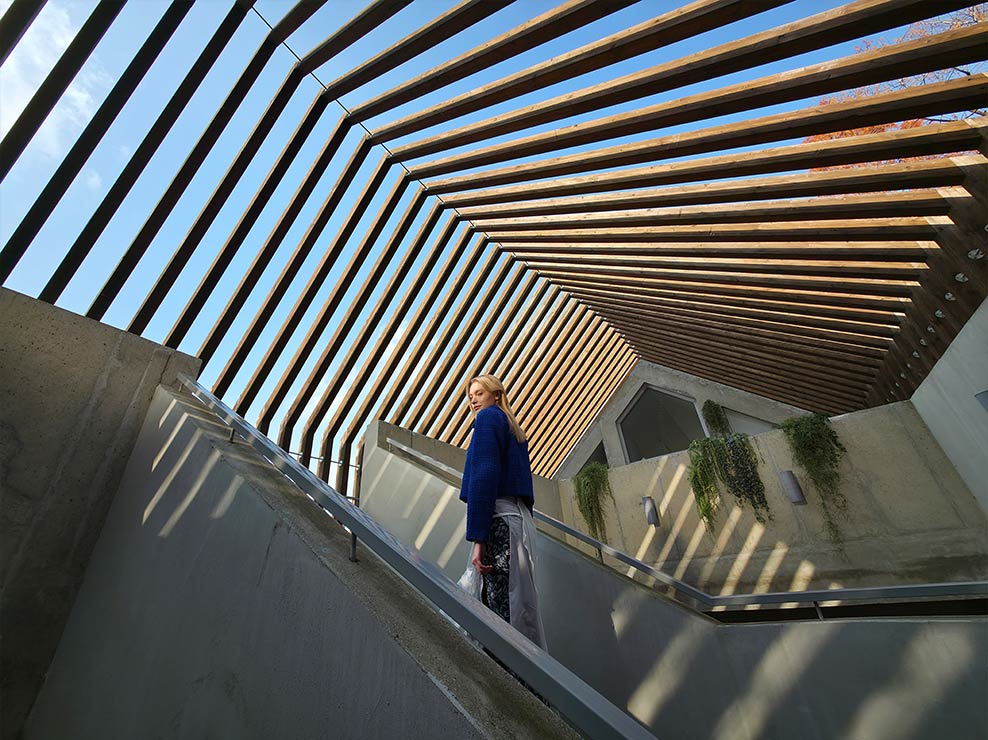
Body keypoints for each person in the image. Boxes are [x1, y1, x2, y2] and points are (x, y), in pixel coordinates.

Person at [459, 374, 546, 649]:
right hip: (515, 522)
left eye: (479, 392)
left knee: (500, 608)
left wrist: (478, 539)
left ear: (496, 394)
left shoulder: (487, 419)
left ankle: (510, 677)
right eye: (470, 395)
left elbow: (485, 474)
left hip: (498, 524)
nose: (473, 399)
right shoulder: (512, 427)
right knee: (519, 606)